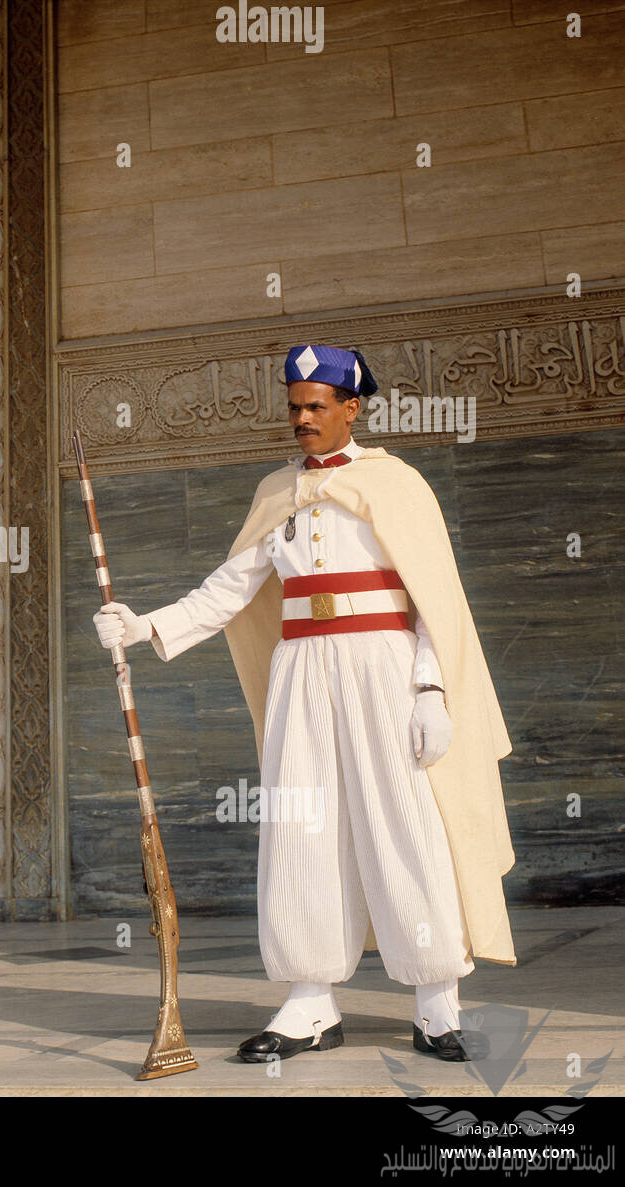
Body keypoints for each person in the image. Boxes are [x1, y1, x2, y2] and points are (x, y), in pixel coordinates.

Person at [93, 344, 515, 1063]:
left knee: (402, 824)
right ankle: (309, 1000)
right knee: (300, 828)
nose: (302, 418)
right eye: (294, 405)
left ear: (352, 408)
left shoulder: (400, 484)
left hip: (383, 667)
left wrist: (432, 689)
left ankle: (437, 1001)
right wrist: (147, 625)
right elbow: (229, 588)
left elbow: (434, 604)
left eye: (317, 405)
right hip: (301, 669)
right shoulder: (274, 493)